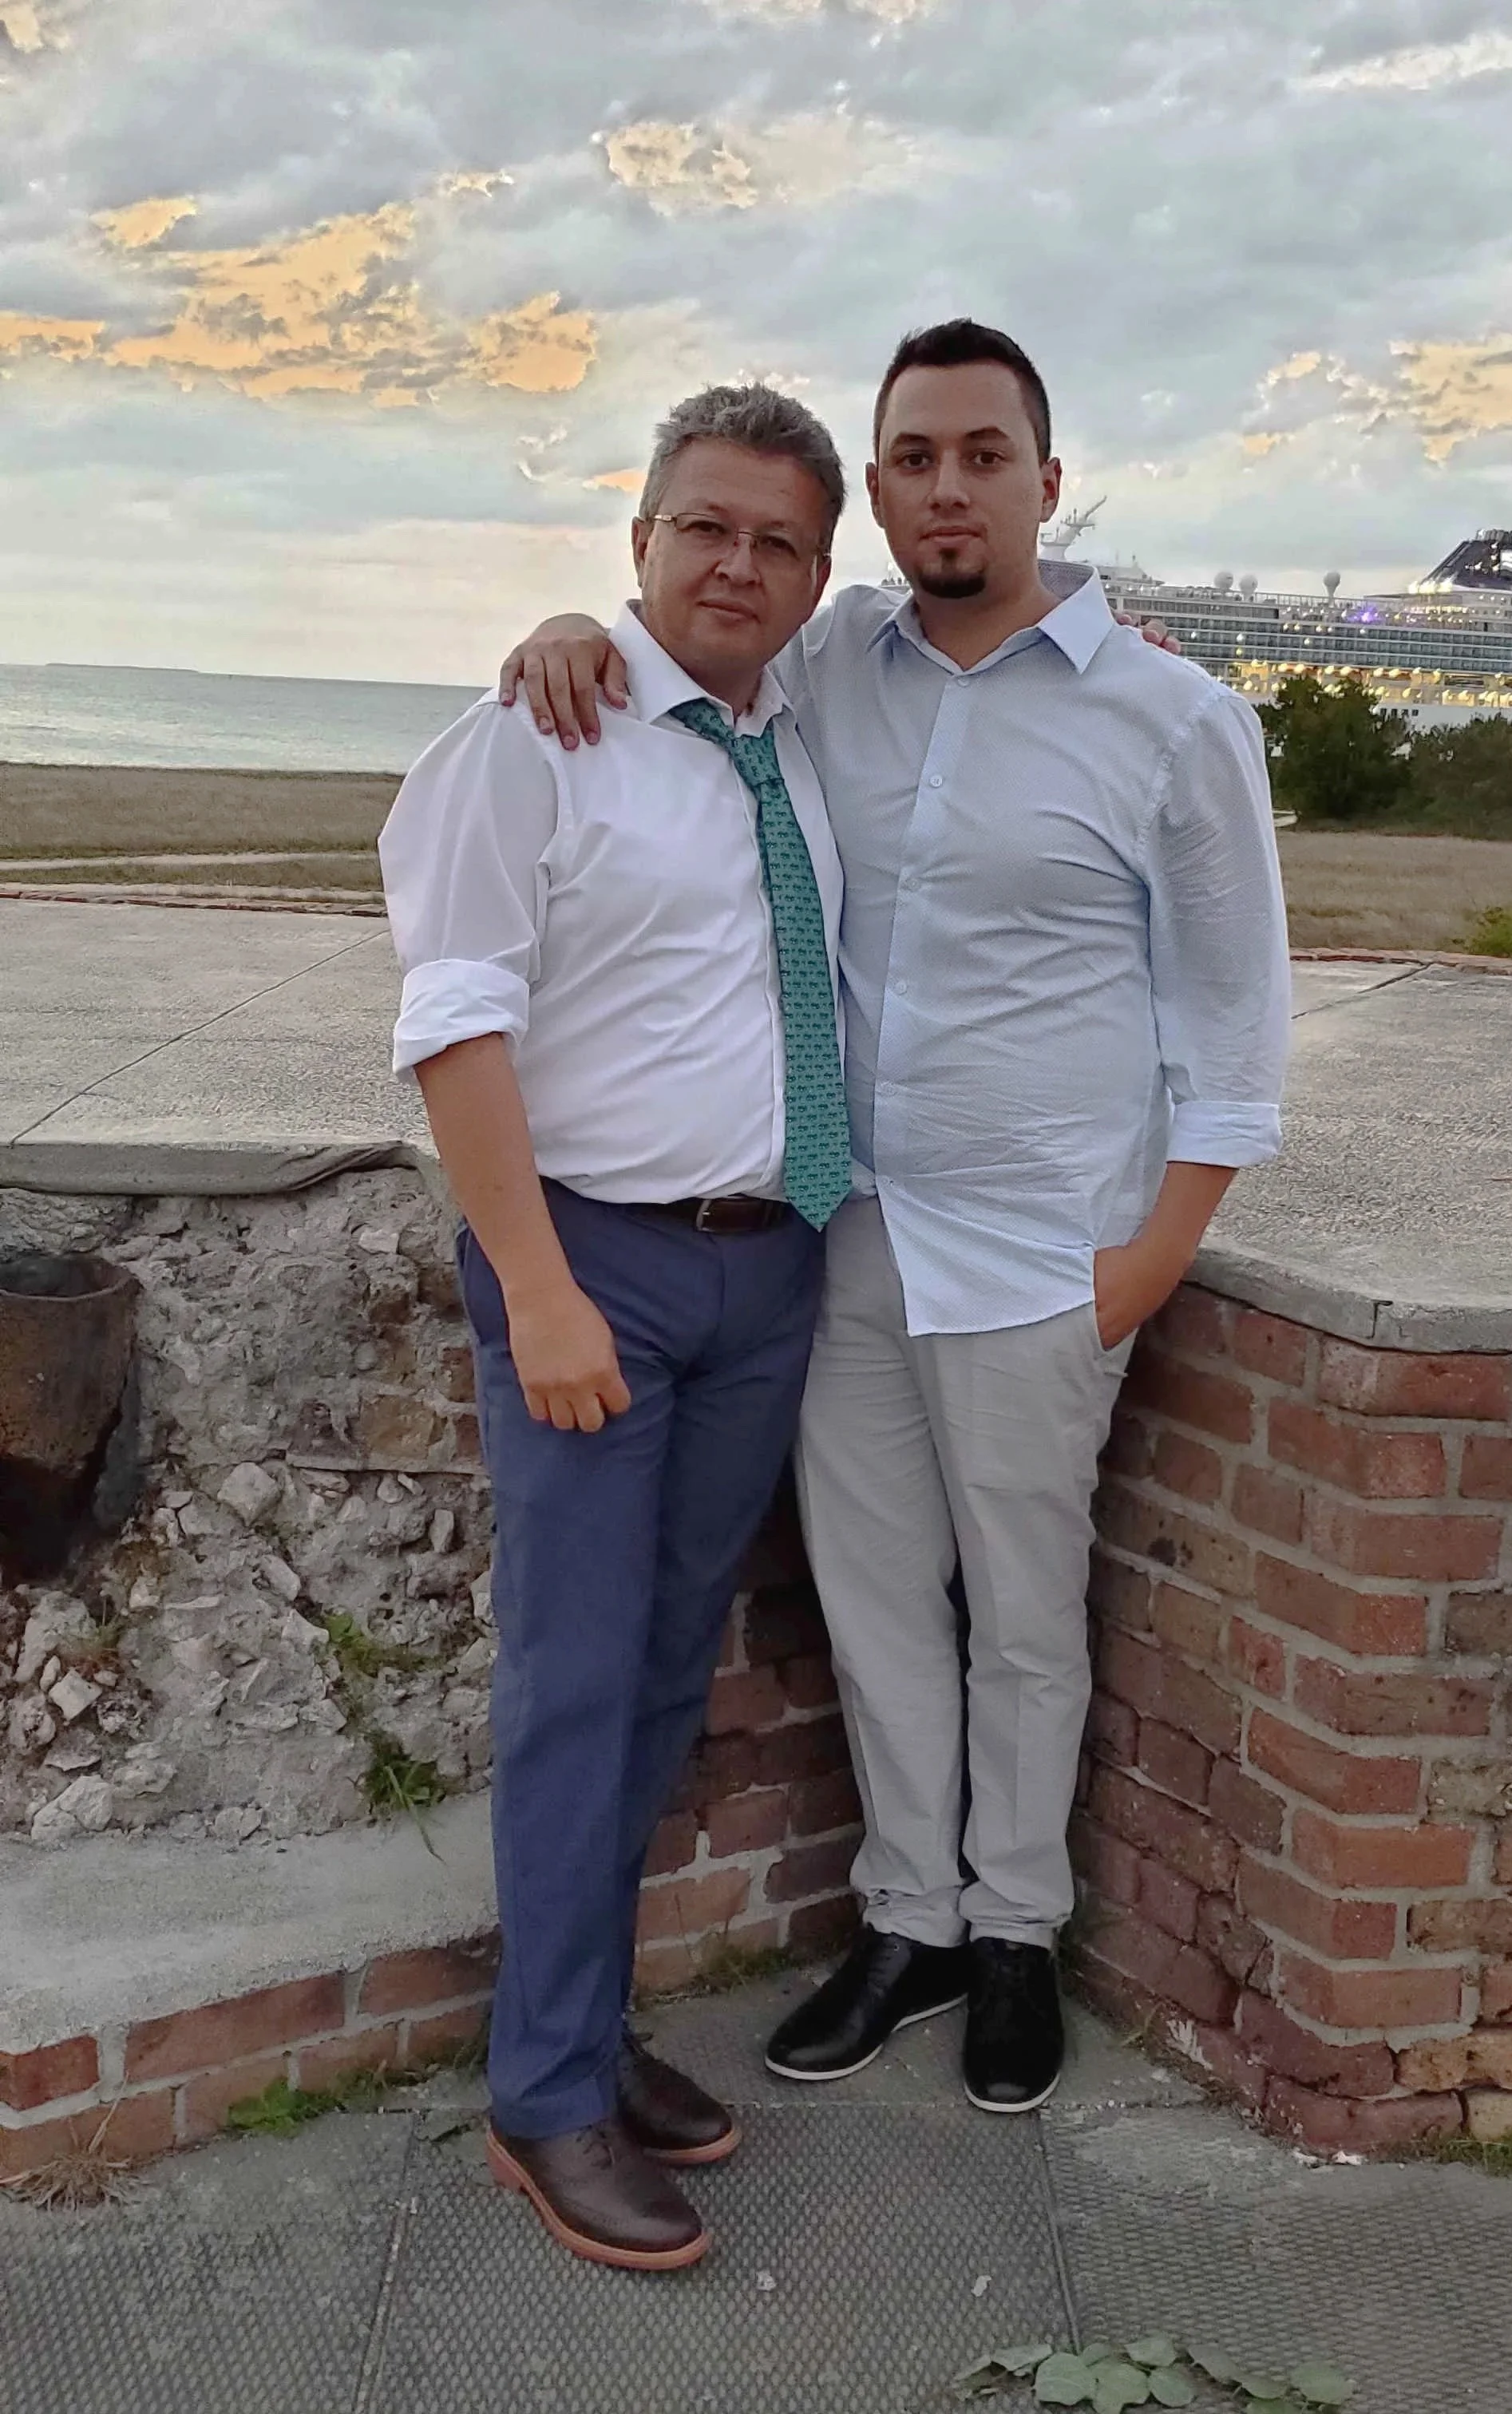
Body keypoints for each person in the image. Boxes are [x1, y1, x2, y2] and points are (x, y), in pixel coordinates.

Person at [499, 319, 1292, 2121]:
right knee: (871, 1603)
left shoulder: (1174, 716)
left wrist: (1148, 1263)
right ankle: (904, 1921)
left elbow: (1235, 1025)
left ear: (1046, 480)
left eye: (982, 455)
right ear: (880, 494)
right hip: (848, 1232)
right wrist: (563, 634)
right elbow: (686, 637)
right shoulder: (834, 659)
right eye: (914, 458)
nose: (948, 486)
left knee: (1022, 1612)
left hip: (1047, 1254)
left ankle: (1017, 1934)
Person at [380, 384, 849, 2270]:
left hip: (769, 1265)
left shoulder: (793, 738)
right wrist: (549, 1288)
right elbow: (455, 1027)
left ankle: (579, 2019)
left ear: (821, 575)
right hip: (598, 1274)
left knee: (665, 1671)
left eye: (781, 542)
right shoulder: (530, 741)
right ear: (641, 535)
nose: (740, 566)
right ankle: (544, 2100)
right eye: (706, 528)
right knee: (579, 1676)